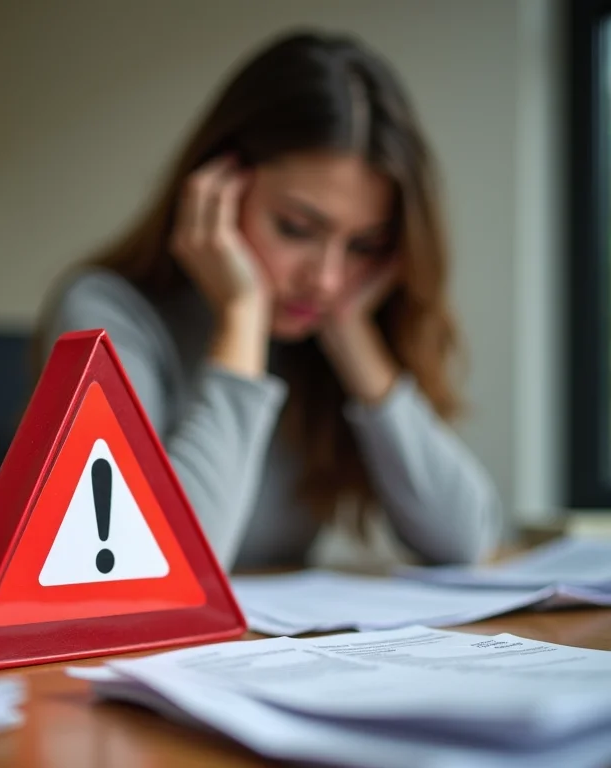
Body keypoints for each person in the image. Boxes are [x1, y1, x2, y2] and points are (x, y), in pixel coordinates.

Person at [37, 30, 502, 571]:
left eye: (363, 246)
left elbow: (466, 539)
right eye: (296, 228)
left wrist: (351, 335)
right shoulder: (105, 309)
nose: (327, 279)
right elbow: (151, 566)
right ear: (217, 189)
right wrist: (240, 318)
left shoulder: (320, 330)